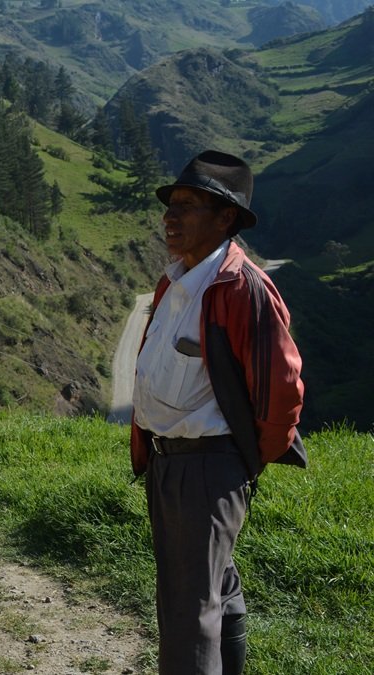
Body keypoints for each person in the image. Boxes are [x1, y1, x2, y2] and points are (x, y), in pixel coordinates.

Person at [130, 150, 307, 674]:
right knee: (214, 586)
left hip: (208, 467)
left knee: (188, 611)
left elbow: (283, 390)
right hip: (170, 463)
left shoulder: (240, 287)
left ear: (225, 217)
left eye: (187, 206)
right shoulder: (178, 281)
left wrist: (243, 462)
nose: (170, 217)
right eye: (169, 206)